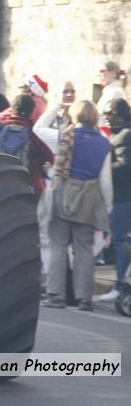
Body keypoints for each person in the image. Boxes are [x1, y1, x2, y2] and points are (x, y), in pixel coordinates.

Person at [40, 101, 113, 311]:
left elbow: (38, 128)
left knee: (58, 246)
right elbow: (105, 180)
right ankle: (84, 299)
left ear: (76, 115)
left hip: (62, 192)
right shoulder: (103, 143)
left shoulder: (64, 136)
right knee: (84, 250)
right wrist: (107, 207)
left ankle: (56, 294)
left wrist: (56, 105)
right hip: (89, 197)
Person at [0, 94, 53, 196]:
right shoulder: (34, 136)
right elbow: (50, 158)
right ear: (31, 111)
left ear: (11, 109)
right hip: (25, 187)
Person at [96, 99, 131, 302]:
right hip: (119, 198)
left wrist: (104, 166)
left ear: (121, 114)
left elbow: (125, 167)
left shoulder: (126, 135)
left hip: (123, 199)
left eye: (110, 113)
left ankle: (120, 286)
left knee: (120, 243)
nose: (107, 117)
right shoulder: (119, 134)